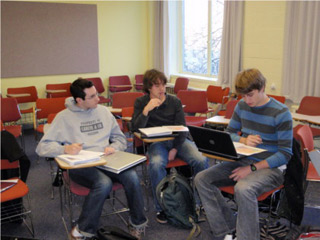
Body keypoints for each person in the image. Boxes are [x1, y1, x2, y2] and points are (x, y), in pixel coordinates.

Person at [36, 78, 148, 240]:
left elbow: (120, 139)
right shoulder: (63, 118)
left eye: (97, 94)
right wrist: (65, 149)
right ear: (79, 100)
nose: (98, 99)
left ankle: (137, 224)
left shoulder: (103, 112)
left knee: (132, 176)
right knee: (103, 183)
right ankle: (82, 230)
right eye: (92, 97)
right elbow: (42, 148)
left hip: (107, 160)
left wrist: (114, 147)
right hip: (81, 165)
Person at [194, 68, 293, 240]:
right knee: (201, 179)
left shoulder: (281, 112)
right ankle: (225, 231)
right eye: (243, 96)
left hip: (271, 168)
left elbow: (285, 154)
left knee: (243, 188)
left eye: (250, 95)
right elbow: (230, 133)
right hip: (242, 161)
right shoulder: (242, 105)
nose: (247, 100)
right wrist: (244, 140)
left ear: (262, 88)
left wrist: (252, 168)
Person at [131, 69, 208, 224]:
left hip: (177, 141)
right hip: (157, 143)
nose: (161, 89)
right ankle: (163, 208)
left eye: (163, 85)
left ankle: (201, 203)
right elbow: (135, 128)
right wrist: (146, 110)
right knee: (156, 163)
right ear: (148, 88)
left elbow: (182, 128)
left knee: (201, 159)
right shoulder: (141, 102)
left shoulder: (174, 102)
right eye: (157, 85)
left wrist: (174, 148)